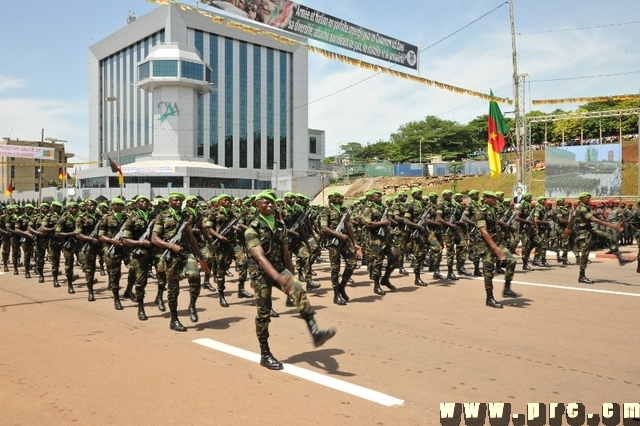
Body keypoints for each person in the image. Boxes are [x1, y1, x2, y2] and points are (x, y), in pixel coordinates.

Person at [244, 192, 336, 370]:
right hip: (261, 272)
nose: (270, 205)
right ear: (258, 206)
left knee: (299, 291)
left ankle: (315, 332)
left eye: (272, 203)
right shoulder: (252, 229)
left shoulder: (279, 226)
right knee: (263, 313)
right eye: (266, 203)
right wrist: (278, 278)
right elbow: (260, 256)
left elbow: (286, 252)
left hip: (278, 267)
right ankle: (265, 353)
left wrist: (290, 277)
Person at [151, 192, 209, 332]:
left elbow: (191, 238)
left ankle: (192, 305)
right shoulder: (162, 216)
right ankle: (174, 319)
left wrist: (201, 257)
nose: (178, 203)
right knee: (173, 288)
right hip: (170, 255)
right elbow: (155, 238)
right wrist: (171, 246)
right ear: (170, 201)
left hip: (186, 253)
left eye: (180, 201)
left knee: (195, 276)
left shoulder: (185, 217)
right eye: (175, 200)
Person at [565, 192, 634, 283]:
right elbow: (593, 220)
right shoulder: (581, 208)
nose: (589, 200)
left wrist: (568, 227)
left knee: (609, 237)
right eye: (587, 198)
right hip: (584, 233)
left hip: (590, 230)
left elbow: (573, 217)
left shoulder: (585, 207)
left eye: (589, 198)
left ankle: (620, 257)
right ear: (582, 199)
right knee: (585, 254)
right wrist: (612, 226)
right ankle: (581, 276)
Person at [475, 191, 520, 309]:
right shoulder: (481, 212)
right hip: (485, 245)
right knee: (489, 271)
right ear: (485, 199)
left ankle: (507, 289)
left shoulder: (493, 209)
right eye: (492, 198)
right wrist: (494, 248)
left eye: (495, 198)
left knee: (511, 261)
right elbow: (483, 231)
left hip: (496, 242)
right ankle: (489, 298)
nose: (495, 200)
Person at [320, 190, 360, 305]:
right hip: (333, 242)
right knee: (335, 269)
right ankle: (336, 294)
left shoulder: (344, 211)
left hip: (344, 241)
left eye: (339, 197)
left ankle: (342, 286)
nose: (338, 198)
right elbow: (324, 228)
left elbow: (349, 228)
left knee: (352, 263)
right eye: (335, 196)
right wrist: (339, 235)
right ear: (330, 198)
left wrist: (355, 243)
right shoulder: (326, 210)